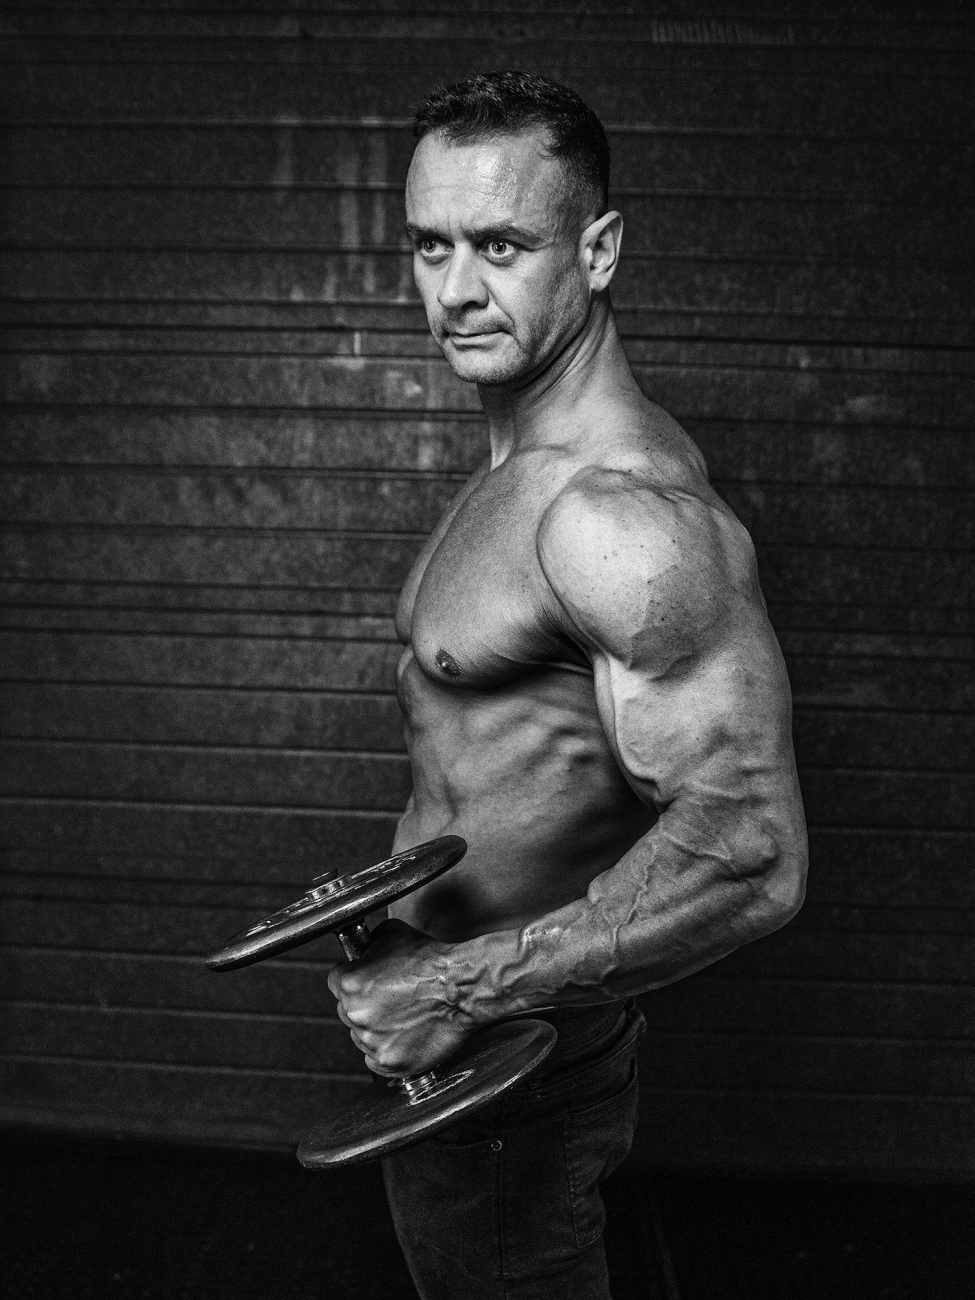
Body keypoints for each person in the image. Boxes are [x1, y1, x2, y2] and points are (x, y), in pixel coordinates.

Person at [328, 70, 808, 1299]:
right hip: (467, 1045)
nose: (454, 289)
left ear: (597, 251)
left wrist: (456, 981)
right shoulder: (520, 467)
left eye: (501, 245)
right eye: (429, 245)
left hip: (514, 1062)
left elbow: (752, 852)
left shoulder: (614, 515)